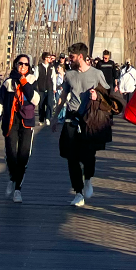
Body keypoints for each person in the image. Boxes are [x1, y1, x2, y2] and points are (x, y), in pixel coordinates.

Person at [53, 42, 110, 207]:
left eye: (71, 57)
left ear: (80, 56)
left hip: (90, 119)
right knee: (72, 157)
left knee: (88, 156)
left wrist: (96, 97)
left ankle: (88, 179)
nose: (69, 60)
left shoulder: (97, 74)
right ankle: (78, 192)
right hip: (72, 118)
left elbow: (107, 95)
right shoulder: (69, 75)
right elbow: (63, 96)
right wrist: (56, 116)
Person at [0, 54, 39, 203]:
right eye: (20, 63)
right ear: (15, 65)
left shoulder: (32, 80)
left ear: (29, 67)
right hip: (10, 121)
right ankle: (12, 177)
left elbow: (35, 99)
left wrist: (24, 83)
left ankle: (18, 189)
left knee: (23, 155)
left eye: (26, 65)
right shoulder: (8, 83)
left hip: (26, 122)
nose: (23, 66)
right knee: (11, 154)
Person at [33, 51, 55, 126]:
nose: (50, 59)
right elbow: (35, 78)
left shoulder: (51, 67)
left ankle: (48, 118)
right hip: (41, 88)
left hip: (49, 88)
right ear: (45, 58)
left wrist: (54, 88)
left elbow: (53, 78)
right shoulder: (38, 67)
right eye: (49, 57)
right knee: (41, 104)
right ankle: (41, 119)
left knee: (49, 103)